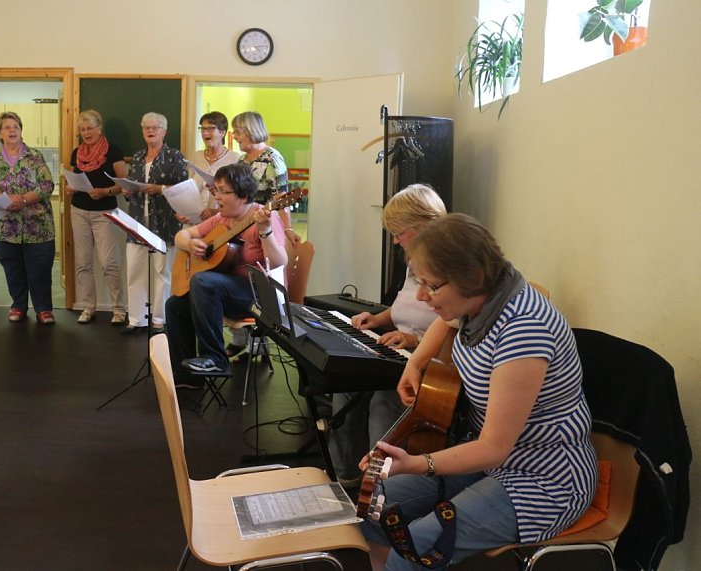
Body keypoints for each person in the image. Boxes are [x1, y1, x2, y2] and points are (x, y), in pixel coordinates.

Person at [361, 213, 597, 571]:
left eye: (432, 286)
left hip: (543, 479)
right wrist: (415, 364)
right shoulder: (484, 298)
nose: (423, 296)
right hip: (489, 462)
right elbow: (446, 319)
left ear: (472, 279)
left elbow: (493, 448)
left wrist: (416, 464)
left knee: (415, 546)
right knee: (376, 506)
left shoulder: (524, 331)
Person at [329, 184, 446, 487]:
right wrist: (376, 319)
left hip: (430, 363)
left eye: (399, 232)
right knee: (345, 382)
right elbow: (401, 309)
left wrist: (414, 342)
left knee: (384, 397)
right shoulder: (415, 262)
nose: (395, 240)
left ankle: (382, 485)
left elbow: (454, 329)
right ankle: (347, 475)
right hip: (400, 351)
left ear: (424, 226)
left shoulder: (449, 267)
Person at [165, 162, 287, 388]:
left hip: (258, 296)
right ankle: (188, 377)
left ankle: (216, 359)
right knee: (175, 305)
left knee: (204, 281)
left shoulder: (262, 217)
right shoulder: (222, 218)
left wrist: (265, 231)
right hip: (224, 294)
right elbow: (181, 237)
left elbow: (280, 262)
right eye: (216, 190)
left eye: (224, 192)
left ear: (243, 196)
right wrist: (192, 244)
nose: (217, 197)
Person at [227, 111, 301, 356]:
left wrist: (288, 229)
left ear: (250, 130)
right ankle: (239, 337)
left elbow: (281, 199)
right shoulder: (242, 160)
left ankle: (258, 342)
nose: (235, 136)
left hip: (262, 227)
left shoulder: (272, 158)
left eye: (238, 131)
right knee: (233, 272)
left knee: (257, 278)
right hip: (239, 228)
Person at [0, 111, 57, 325]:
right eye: (7, 127)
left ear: (21, 131)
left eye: (16, 127)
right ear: (0, 133)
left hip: (37, 228)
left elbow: (47, 185)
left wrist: (23, 200)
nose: (12, 131)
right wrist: (5, 199)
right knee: (13, 270)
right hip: (4, 228)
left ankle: (44, 309)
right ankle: (18, 305)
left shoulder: (34, 156)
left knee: (39, 271)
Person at [122, 112, 188, 335]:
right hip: (138, 222)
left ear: (164, 131)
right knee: (134, 270)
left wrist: (159, 189)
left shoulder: (174, 156)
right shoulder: (138, 156)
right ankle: (136, 318)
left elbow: (183, 190)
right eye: (146, 127)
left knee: (162, 272)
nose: (150, 130)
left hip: (165, 224)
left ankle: (159, 320)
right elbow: (131, 190)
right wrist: (127, 191)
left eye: (155, 127)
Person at [67, 110, 128, 325]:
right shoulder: (77, 152)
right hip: (79, 211)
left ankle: (118, 310)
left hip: (104, 212)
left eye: (90, 128)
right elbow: (76, 177)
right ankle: (88, 307)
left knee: (109, 263)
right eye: (82, 129)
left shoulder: (113, 151)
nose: (86, 133)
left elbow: (123, 186)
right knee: (83, 263)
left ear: (99, 128)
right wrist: (72, 188)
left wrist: (104, 192)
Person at [189, 111, 240, 222]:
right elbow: (189, 190)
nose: (205, 133)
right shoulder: (196, 156)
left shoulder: (235, 159)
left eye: (211, 128)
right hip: (193, 220)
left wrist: (215, 212)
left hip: (220, 222)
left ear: (222, 132)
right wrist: (184, 212)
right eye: (202, 129)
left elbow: (237, 198)